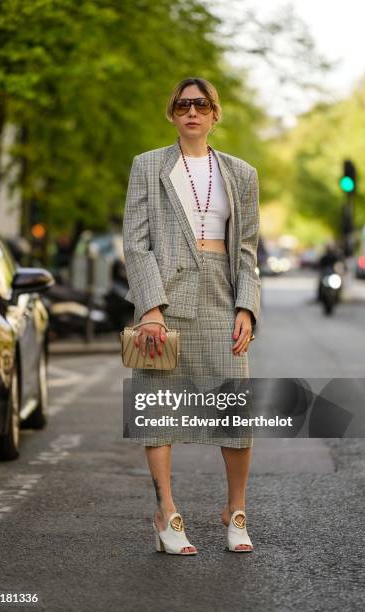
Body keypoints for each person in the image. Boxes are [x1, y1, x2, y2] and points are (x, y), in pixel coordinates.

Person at [122, 77, 261, 555]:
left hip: (222, 298)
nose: (192, 111)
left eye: (201, 104)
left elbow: (246, 250)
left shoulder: (242, 173)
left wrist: (247, 306)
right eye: (183, 104)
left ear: (215, 114)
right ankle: (166, 511)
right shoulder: (147, 166)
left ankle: (236, 510)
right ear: (172, 113)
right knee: (158, 411)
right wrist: (151, 309)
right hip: (167, 302)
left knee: (235, 412)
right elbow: (136, 243)